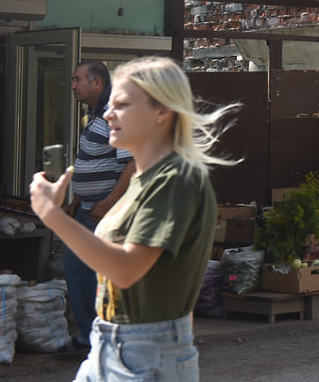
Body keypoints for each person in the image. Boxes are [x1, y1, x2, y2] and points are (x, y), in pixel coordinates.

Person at [30, 56, 237, 381]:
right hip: (114, 344)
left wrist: (51, 215)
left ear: (162, 111)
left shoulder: (176, 178)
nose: (109, 114)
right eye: (110, 105)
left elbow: (126, 270)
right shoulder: (147, 176)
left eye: (122, 105)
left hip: (145, 354)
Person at [64, 60, 137, 353]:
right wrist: (76, 201)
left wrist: (107, 204)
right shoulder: (95, 115)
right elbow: (94, 162)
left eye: (77, 80)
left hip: (105, 213)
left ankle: (102, 341)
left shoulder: (116, 114)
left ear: (97, 83)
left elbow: (132, 165)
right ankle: (87, 338)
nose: (73, 86)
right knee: (76, 272)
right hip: (87, 210)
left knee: (98, 278)